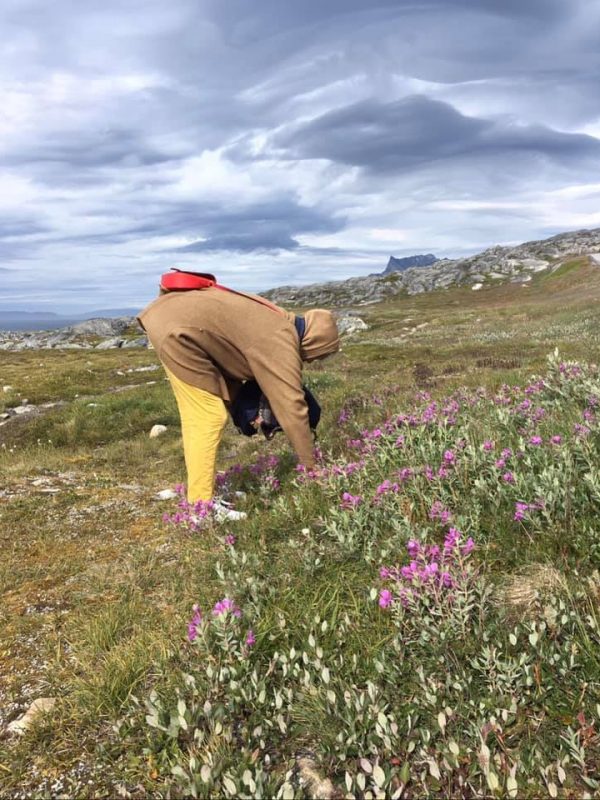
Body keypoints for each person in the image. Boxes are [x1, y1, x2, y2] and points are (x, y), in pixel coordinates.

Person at [137, 273, 340, 520]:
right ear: (314, 341)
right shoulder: (281, 338)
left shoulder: (278, 320)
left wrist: (242, 410)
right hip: (177, 333)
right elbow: (292, 406)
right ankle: (202, 509)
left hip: (168, 321)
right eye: (317, 355)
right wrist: (312, 470)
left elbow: (227, 357)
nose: (311, 360)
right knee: (206, 417)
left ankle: (200, 496)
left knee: (200, 417)